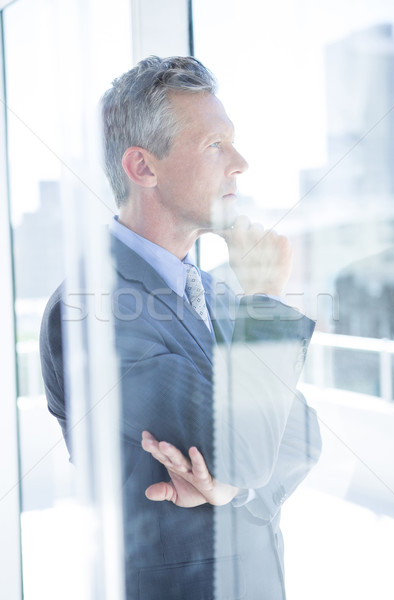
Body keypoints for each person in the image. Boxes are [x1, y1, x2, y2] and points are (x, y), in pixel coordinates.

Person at [40, 56, 322, 600]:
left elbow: (303, 434)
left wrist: (233, 488)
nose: (240, 162)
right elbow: (249, 450)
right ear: (143, 168)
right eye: (215, 145)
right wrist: (264, 301)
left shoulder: (214, 293)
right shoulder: (91, 309)